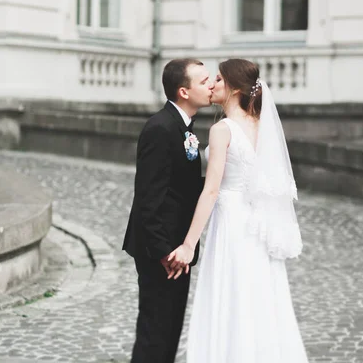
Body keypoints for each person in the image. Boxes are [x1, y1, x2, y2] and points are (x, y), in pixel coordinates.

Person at [167, 58, 309, 362]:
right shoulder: (261, 125)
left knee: (231, 295)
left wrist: (189, 243)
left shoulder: (223, 129)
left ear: (232, 88)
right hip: (256, 224)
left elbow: (212, 189)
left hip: (232, 221)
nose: (212, 84)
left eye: (218, 79)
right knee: (259, 296)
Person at [122, 58, 212, 363]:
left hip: (178, 250)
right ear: (184, 92)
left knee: (169, 331)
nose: (210, 84)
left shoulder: (183, 127)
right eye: (203, 81)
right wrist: (163, 252)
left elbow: (181, 189)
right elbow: (149, 197)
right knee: (154, 333)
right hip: (159, 251)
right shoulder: (160, 128)